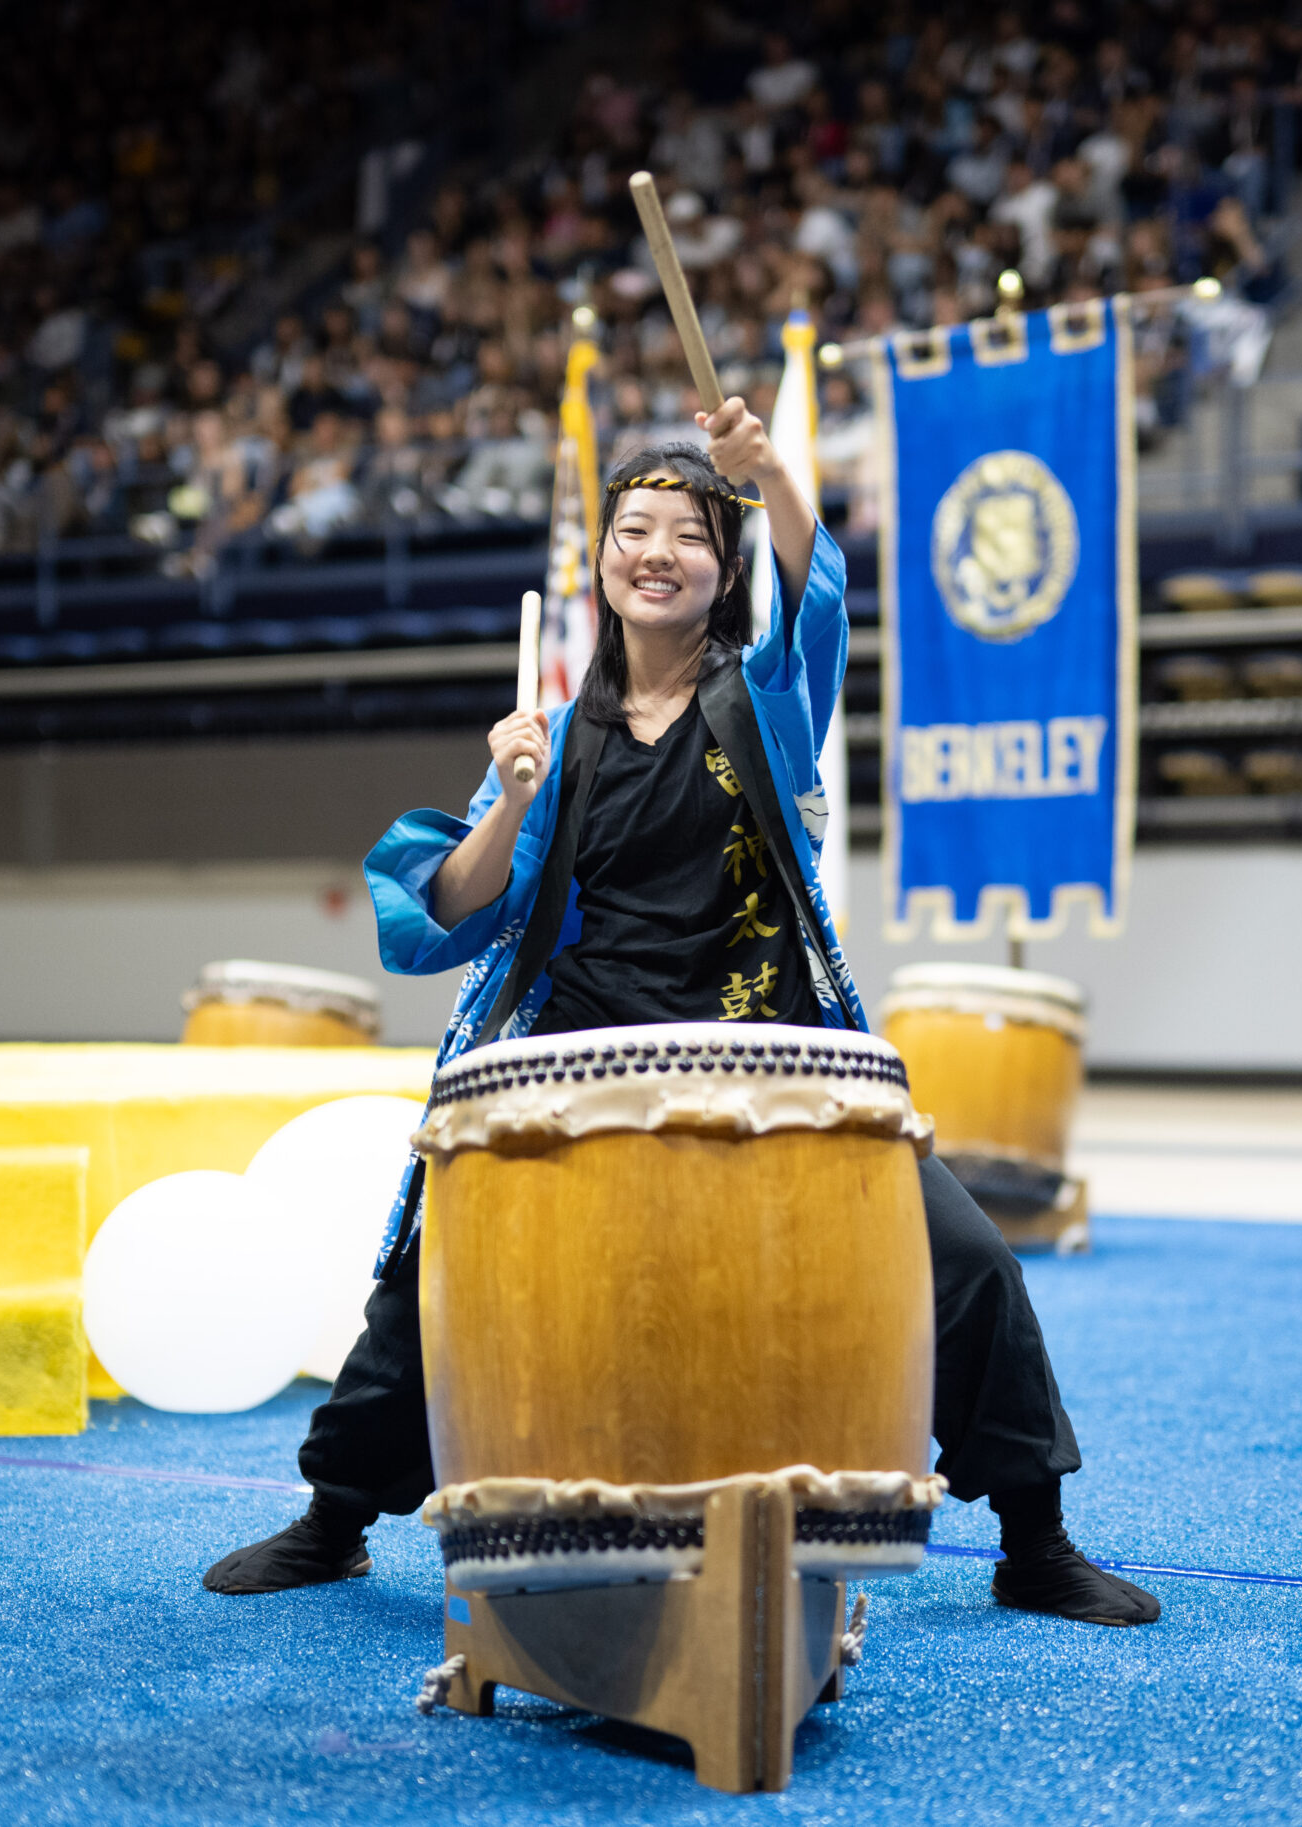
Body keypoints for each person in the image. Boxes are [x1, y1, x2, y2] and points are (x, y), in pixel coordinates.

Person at [201, 398, 1161, 1628]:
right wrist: (505, 798)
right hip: (576, 1068)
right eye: (632, 531)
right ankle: (337, 1522)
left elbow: (820, 602)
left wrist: (768, 477)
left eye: (686, 535)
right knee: (437, 1268)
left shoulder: (761, 702)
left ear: (721, 570)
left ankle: (1034, 1541)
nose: (654, 551)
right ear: (601, 566)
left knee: (964, 1259)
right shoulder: (553, 743)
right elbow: (438, 918)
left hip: (772, 1063)